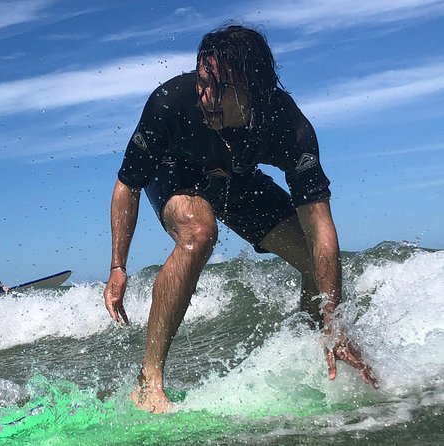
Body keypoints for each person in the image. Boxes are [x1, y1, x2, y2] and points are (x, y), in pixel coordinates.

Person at [103, 23, 378, 414]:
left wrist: (335, 320)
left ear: (254, 89)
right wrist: (118, 265)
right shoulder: (170, 103)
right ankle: (149, 380)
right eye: (202, 81)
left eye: (219, 88)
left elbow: (320, 227)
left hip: (237, 181)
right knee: (199, 231)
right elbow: (126, 185)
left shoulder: (287, 126)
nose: (205, 96)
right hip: (174, 173)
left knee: (316, 266)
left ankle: (318, 344)